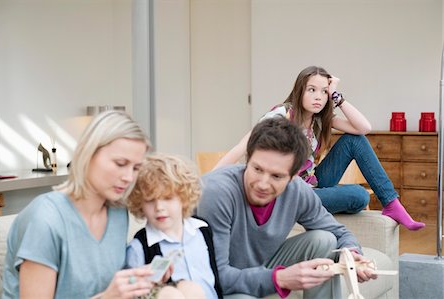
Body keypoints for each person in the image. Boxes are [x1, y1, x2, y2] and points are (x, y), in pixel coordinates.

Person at [214, 65, 425, 231]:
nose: (318, 96)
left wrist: (337, 96)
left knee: (355, 141)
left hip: (312, 183)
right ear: (300, 91)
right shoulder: (282, 114)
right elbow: (243, 146)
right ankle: (384, 204)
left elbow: (364, 128)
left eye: (324, 92)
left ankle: (392, 205)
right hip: (288, 191)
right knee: (359, 196)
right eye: (312, 90)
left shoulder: (320, 120)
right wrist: (210, 181)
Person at [197, 117, 377, 298]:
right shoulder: (216, 193)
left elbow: (339, 233)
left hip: (260, 265)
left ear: (293, 176)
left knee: (325, 240)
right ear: (247, 159)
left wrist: (352, 256)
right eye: (257, 169)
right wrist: (280, 278)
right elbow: (216, 276)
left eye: (276, 176)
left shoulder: (297, 190)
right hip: (216, 280)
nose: (263, 184)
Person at [2, 111, 173, 299]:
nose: (128, 177)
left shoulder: (118, 212)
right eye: (120, 163)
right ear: (88, 154)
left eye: (135, 168)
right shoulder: (45, 220)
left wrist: (137, 279)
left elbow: (97, 282)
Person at [126, 153, 223, 299]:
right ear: (140, 203)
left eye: (167, 198)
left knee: (194, 291)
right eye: (150, 200)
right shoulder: (139, 247)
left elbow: (214, 278)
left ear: (184, 197)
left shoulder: (202, 230)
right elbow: (133, 291)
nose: (159, 207)